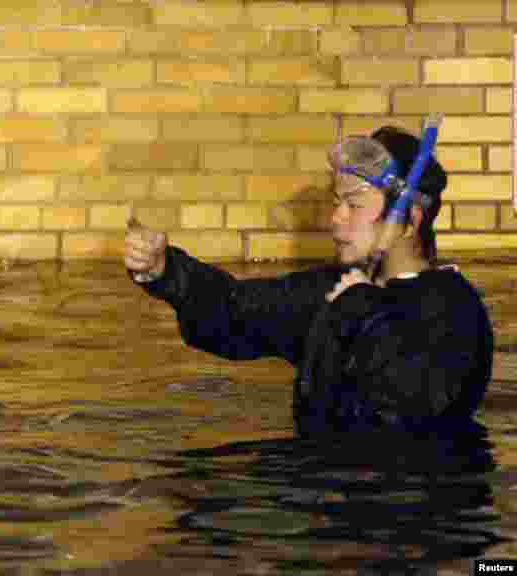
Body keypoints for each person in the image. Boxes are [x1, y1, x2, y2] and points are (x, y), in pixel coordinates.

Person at [125, 125, 494, 438]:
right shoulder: (337, 289)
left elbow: (411, 408)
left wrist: (359, 309)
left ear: (409, 222)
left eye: (354, 204)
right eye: (337, 203)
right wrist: (167, 272)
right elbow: (234, 310)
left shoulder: (453, 310)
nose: (336, 218)